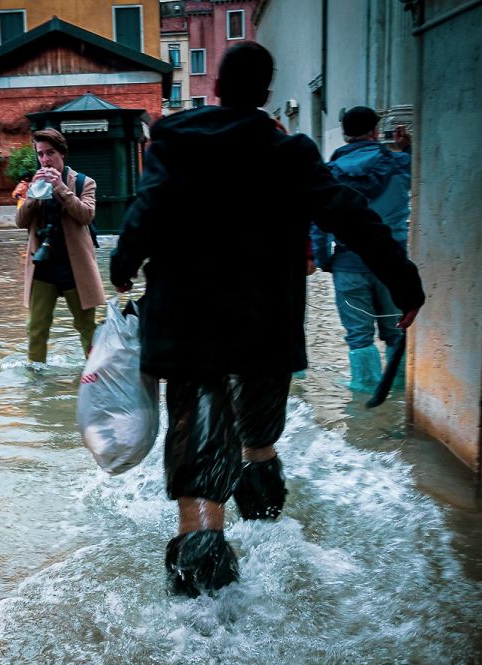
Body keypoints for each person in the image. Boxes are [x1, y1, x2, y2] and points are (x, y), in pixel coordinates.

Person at [109, 42, 425, 597]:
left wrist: (122, 264)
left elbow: (147, 211)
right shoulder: (291, 153)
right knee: (258, 433)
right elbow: (351, 214)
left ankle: (201, 539)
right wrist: (404, 282)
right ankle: (265, 510)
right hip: (263, 324)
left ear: (216, 90)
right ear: (266, 94)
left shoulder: (174, 142)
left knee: (198, 424)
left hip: (187, 322)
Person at [310, 106, 413, 391]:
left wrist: (324, 259)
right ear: (376, 132)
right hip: (392, 264)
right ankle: (400, 393)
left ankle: (363, 399)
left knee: (358, 337)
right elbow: (426, 174)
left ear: (344, 134)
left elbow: (317, 222)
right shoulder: (400, 163)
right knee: (397, 331)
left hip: (348, 264)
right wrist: (408, 148)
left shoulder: (329, 173)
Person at [15, 128, 105, 364]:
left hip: (75, 267)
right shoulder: (33, 184)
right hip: (42, 266)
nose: (45, 160)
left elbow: (87, 215)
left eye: (50, 153)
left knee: (87, 327)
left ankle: (94, 377)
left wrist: (61, 188)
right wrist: (33, 195)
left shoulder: (84, 182)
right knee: (36, 328)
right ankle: (36, 388)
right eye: (41, 154)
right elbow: (20, 221)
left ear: (62, 153)